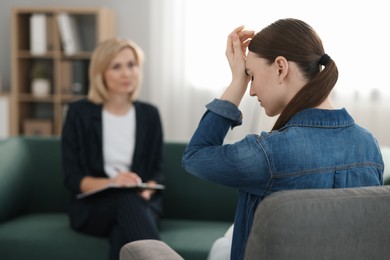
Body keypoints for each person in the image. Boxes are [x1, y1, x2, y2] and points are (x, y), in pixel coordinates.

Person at [182, 18, 384, 260]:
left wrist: (236, 82)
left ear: (280, 67)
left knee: (223, 243)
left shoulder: (269, 154)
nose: (252, 90)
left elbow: (195, 156)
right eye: (246, 80)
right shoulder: (369, 147)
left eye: (252, 76)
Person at [61, 38, 164, 260]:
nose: (127, 73)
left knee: (123, 226)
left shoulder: (150, 114)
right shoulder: (78, 113)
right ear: (101, 72)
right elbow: (72, 178)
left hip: (140, 203)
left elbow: (156, 170)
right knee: (124, 199)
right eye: (116, 66)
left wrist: (147, 190)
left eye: (131, 64)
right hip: (93, 207)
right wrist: (113, 183)